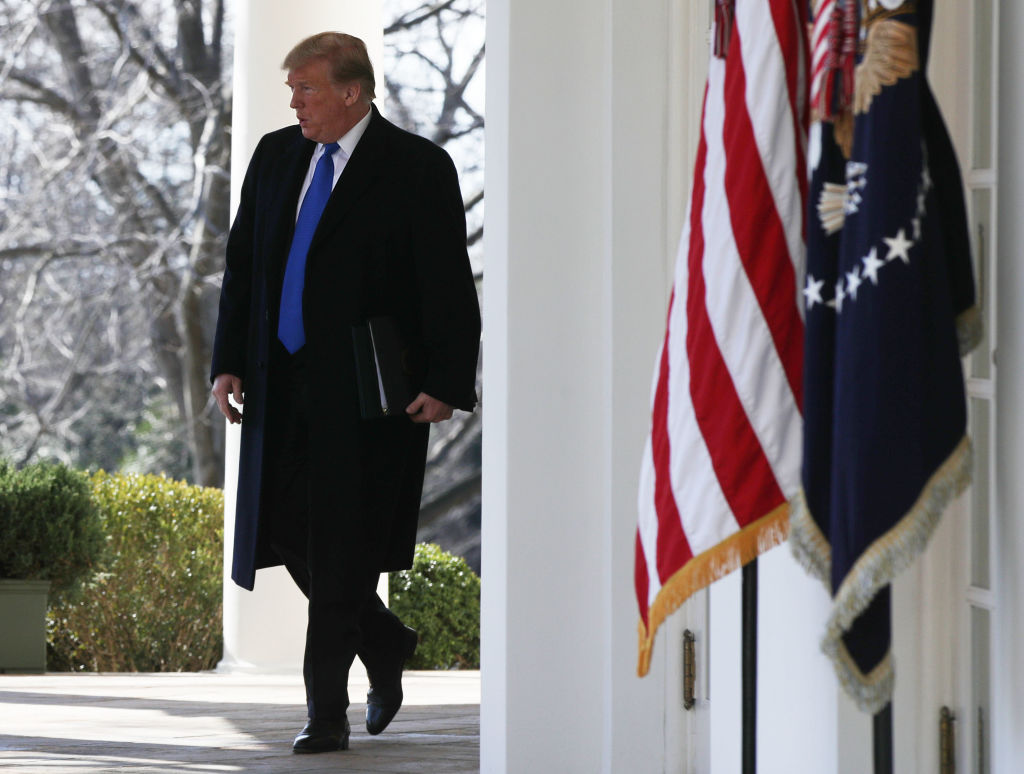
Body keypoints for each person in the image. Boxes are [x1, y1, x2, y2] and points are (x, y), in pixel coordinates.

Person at [209, 31, 480, 754]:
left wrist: (447, 382)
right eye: (292, 89)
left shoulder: (417, 166)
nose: (294, 102)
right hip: (278, 381)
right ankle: (384, 639)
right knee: (283, 530)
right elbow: (243, 267)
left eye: (307, 88)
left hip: (368, 388)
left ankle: (326, 713)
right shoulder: (274, 156)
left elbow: (447, 284)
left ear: (352, 91)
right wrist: (227, 361)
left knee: (341, 546)